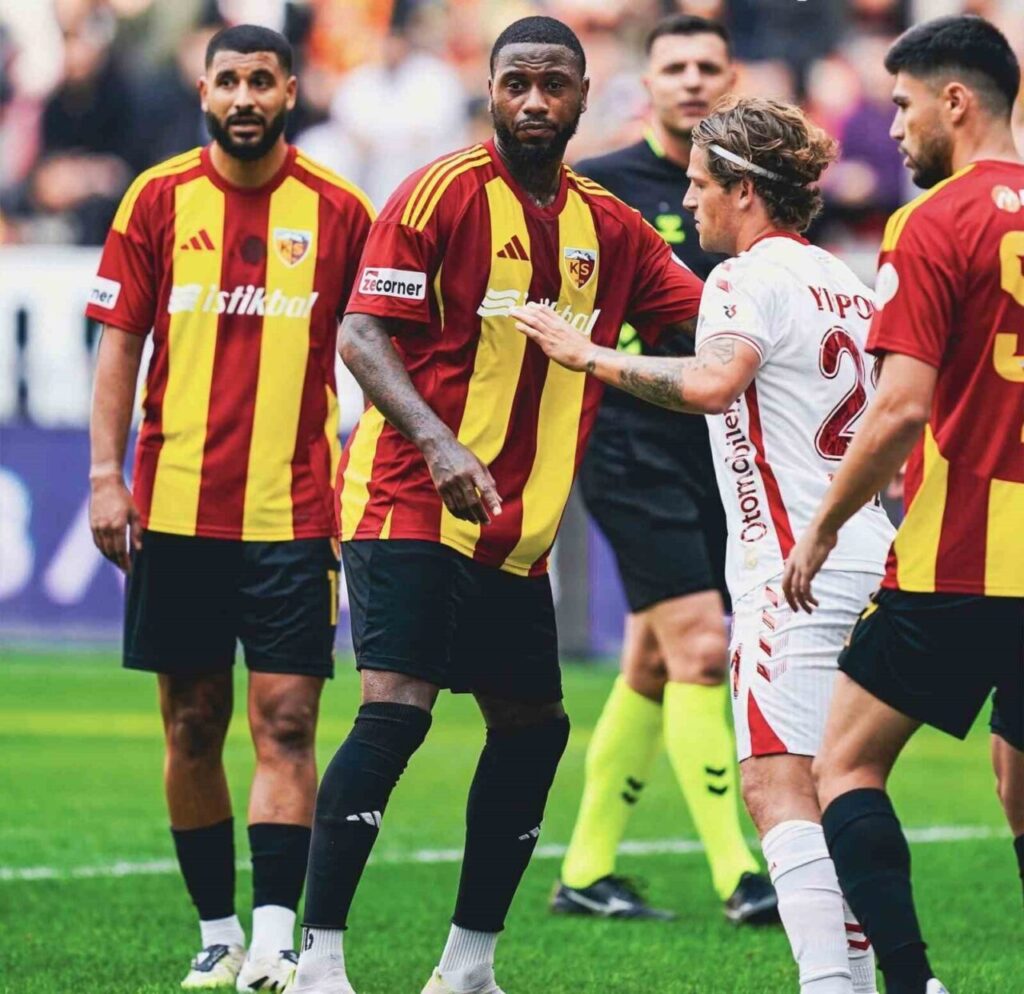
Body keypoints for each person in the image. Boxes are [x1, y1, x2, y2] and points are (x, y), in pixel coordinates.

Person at [289, 16, 704, 994]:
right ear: (489, 89)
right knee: (397, 710)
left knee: (532, 727)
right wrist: (439, 444)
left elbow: (703, 322)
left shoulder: (611, 227)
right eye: (516, 82)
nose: (533, 101)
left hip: (516, 530)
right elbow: (360, 333)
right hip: (406, 497)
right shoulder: (439, 192)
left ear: (583, 96)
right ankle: (320, 962)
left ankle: (468, 967)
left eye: (552, 85)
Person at [515, 96, 894, 994]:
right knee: (841, 786)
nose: (688, 202)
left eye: (699, 184)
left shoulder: (739, 279)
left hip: (791, 570)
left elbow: (715, 383)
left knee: (775, 786)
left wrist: (588, 356)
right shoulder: (845, 279)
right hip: (867, 554)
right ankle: (867, 973)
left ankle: (828, 983)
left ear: (745, 191)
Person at [86, 24, 374, 992]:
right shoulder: (157, 197)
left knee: (286, 720)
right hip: (174, 511)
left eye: (261, 80)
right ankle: (217, 934)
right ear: (203, 91)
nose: (244, 97)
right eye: (228, 81)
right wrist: (105, 475)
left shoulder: (340, 211)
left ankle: (276, 938)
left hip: (295, 514)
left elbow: (379, 346)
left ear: (290, 90)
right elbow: (119, 342)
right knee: (191, 724)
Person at [782, 15, 1024, 994]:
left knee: (842, 764)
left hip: (957, 558)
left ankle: (911, 982)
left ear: (953, 101)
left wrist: (823, 527)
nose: (892, 128)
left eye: (902, 105)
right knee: (1016, 782)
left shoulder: (931, 221)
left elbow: (899, 407)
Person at [551, 13, 775, 925]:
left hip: (716, 443)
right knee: (700, 647)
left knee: (652, 657)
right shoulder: (599, 187)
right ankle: (740, 876)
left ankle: (585, 871)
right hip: (625, 439)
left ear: (730, 79)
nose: (690, 79)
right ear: (645, 84)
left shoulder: (754, 196)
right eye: (673, 66)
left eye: (706, 66)